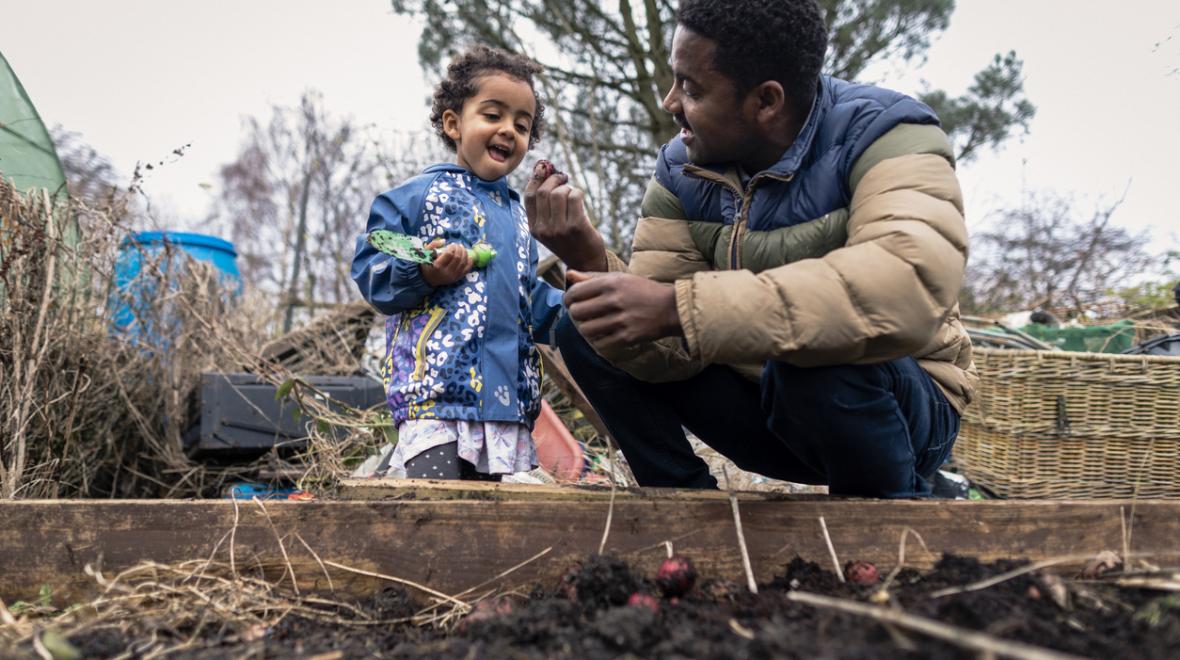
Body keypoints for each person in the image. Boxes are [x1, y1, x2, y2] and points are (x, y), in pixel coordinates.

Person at [524, 0, 977, 498]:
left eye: (691, 88)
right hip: (766, 408)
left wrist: (681, 307)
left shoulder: (888, 135)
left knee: (811, 362)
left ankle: (889, 520)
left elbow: (903, 289)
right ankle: (682, 513)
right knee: (585, 323)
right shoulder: (682, 166)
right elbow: (668, 355)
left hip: (898, 413)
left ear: (766, 101)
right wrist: (591, 263)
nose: (670, 102)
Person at [351, 45, 564, 481]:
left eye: (521, 125)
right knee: (436, 513)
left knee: (481, 526)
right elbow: (372, 269)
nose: (508, 130)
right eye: (492, 115)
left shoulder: (521, 216)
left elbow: (529, 299)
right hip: (436, 399)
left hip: (505, 406)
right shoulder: (416, 197)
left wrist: (576, 309)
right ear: (453, 124)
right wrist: (424, 272)